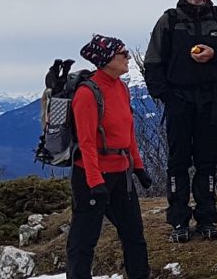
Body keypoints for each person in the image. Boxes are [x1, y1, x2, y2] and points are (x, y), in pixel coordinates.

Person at [141, 0, 217, 242]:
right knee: (177, 163)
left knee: (207, 163)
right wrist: (166, 95)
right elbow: (152, 62)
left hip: (210, 102)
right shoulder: (169, 20)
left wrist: (215, 55)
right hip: (179, 101)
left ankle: (207, 218)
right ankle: (178, 221)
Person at [66, 35, 153, 279]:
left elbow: (128, 131)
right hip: (92, 176)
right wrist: (95, 182)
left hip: (121, 174)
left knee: (134, 235)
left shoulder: (121, 88)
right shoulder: (87, 93)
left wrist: (138, 166)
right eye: (122, 53)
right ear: (106, 59)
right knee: (84, 240)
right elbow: (86, 142)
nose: (128, 57)